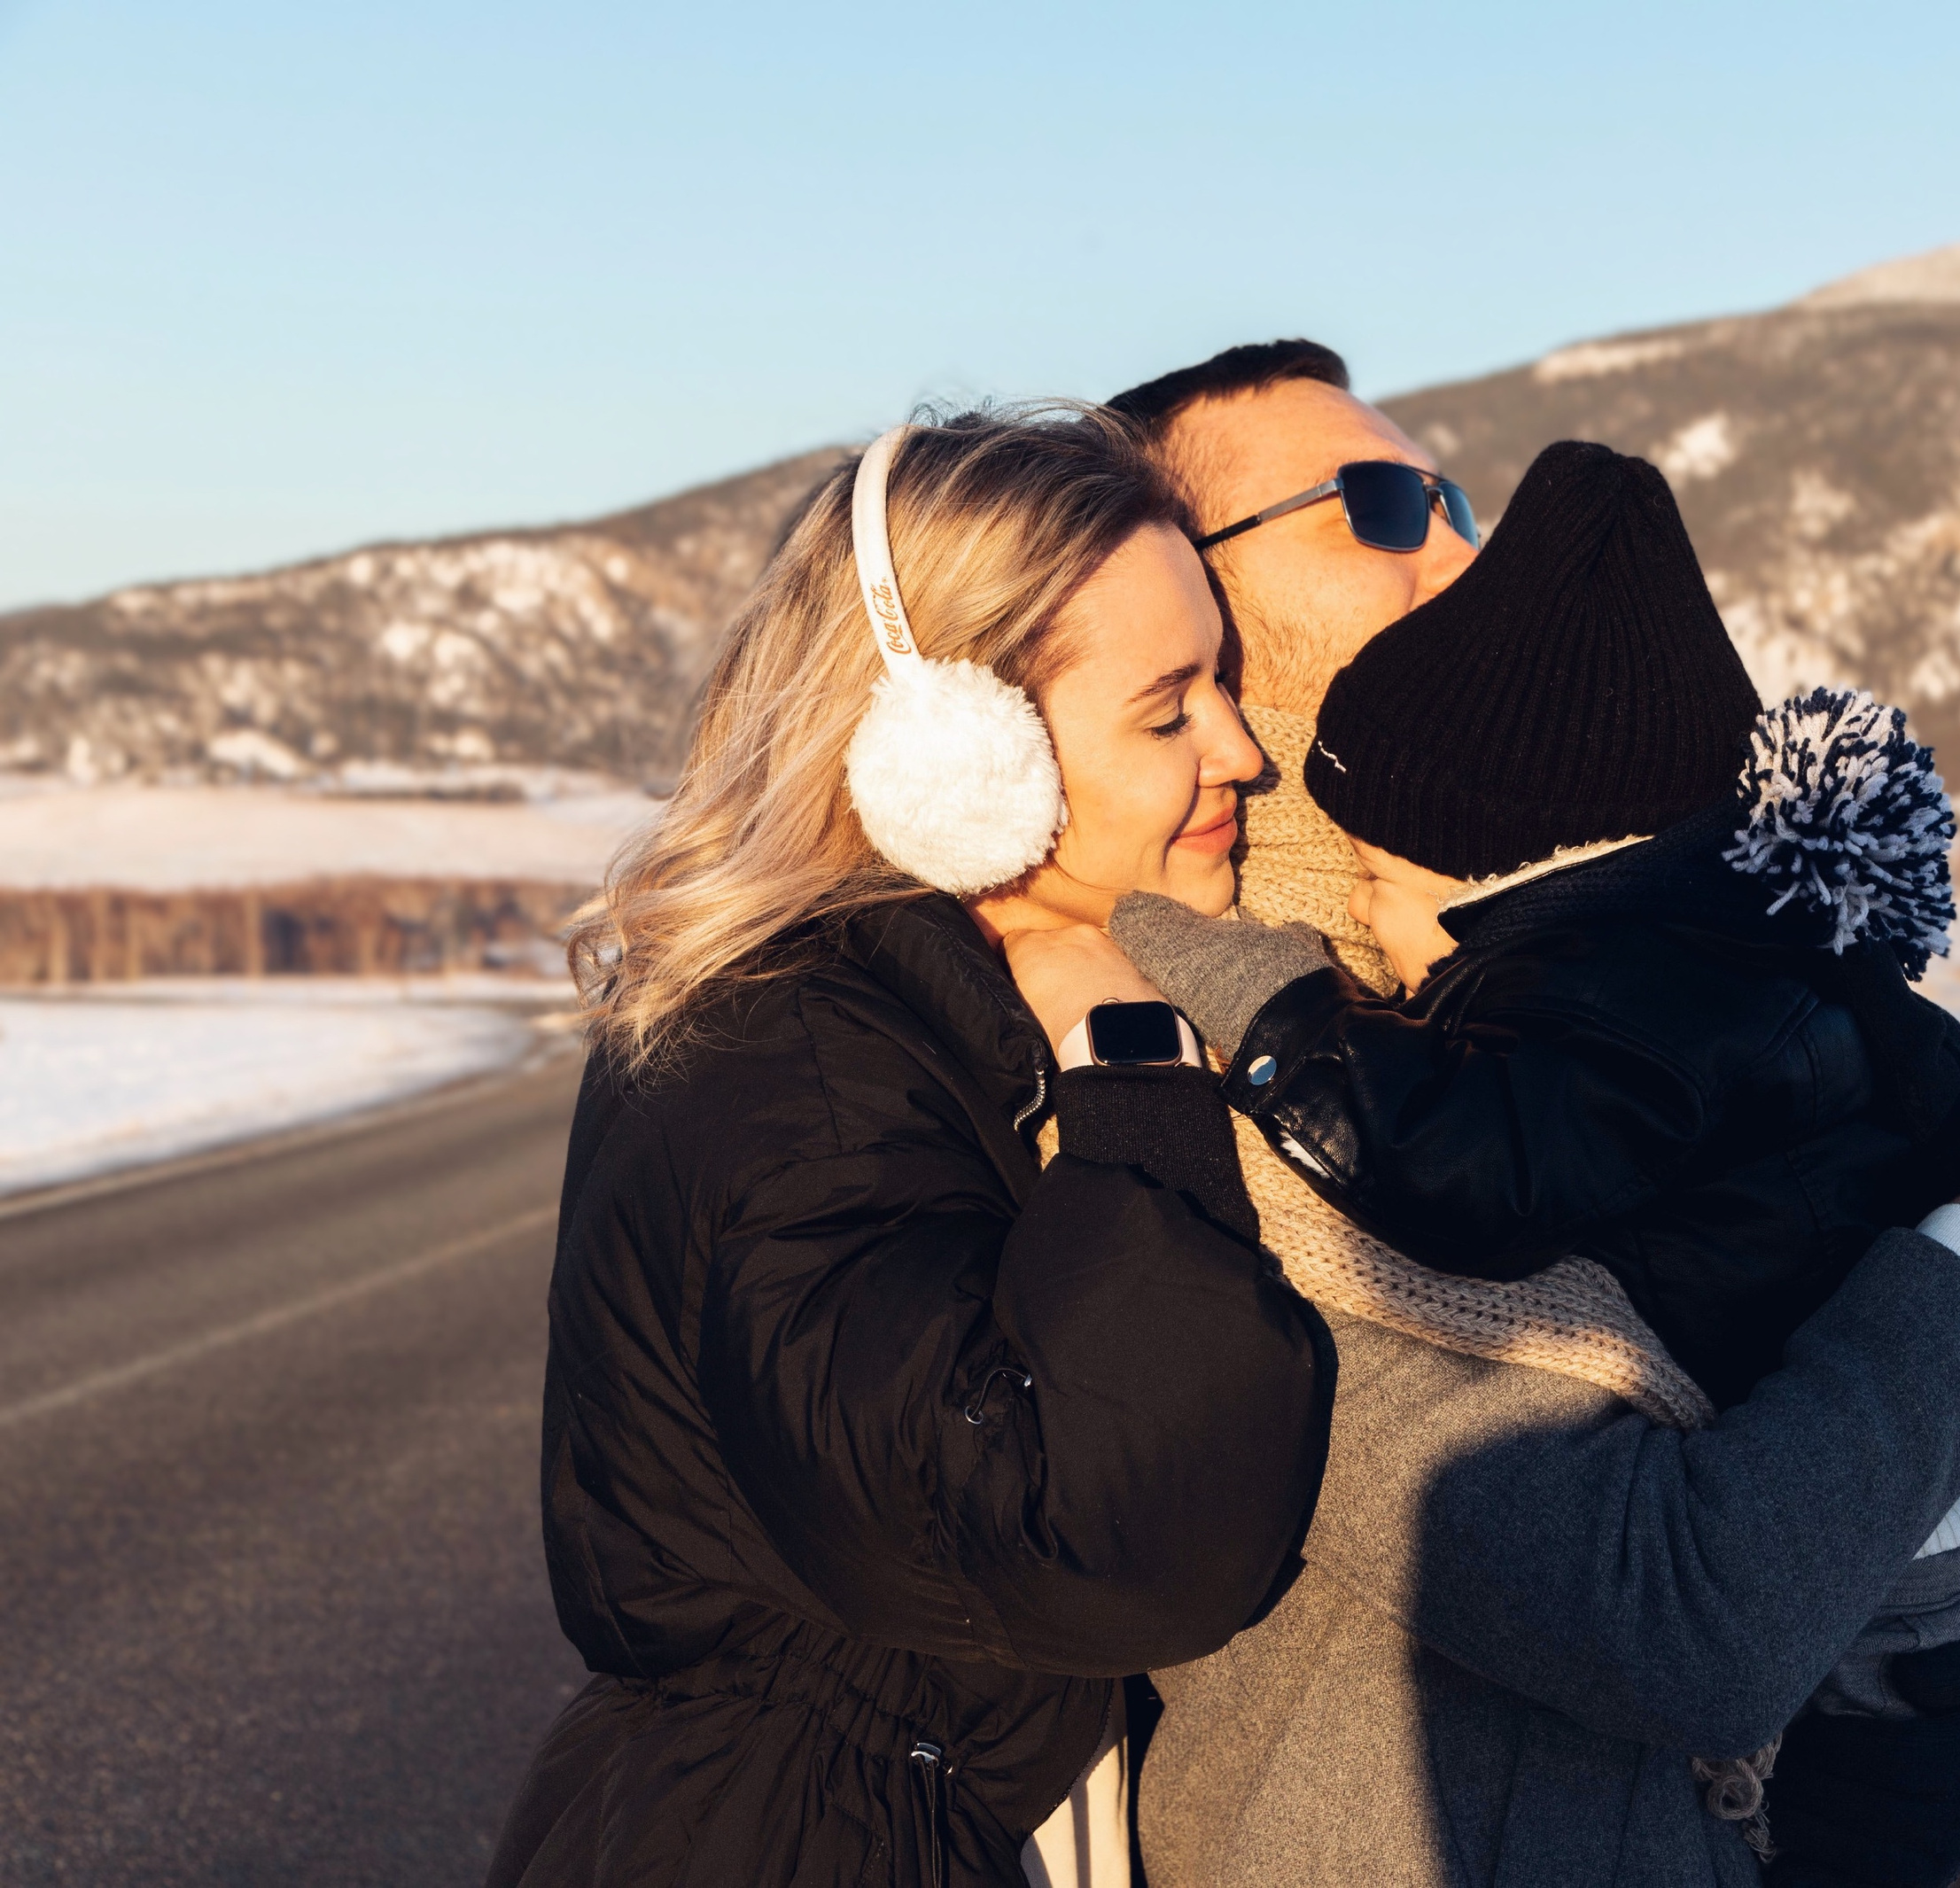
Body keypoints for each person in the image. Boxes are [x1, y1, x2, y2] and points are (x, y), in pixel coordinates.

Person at [1056, 343, 1960, 1885]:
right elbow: (1688, 1621)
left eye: (1454, 494)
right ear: (1179, 600)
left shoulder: (1564, 981)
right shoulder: (1192, 1066)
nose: (1466, 546)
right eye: (1381, 506)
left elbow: (1906, 1608)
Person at [484, 407, 1332, 1888]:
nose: (1242, 751)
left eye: (1228, 689)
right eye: (1167, 707)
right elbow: (1116, 1527)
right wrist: (1133, 1070)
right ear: (957, 754)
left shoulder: (889, 1020)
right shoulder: (797, 1063)